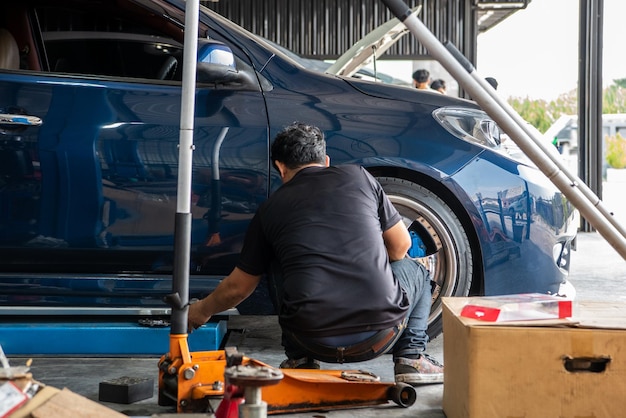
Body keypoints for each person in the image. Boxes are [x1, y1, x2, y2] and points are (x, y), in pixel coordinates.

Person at [188, 122, 443, 385]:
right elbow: (401, 246)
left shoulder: (270, 209)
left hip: (309, 340)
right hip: (380, 336)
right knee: (418, 272)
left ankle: (299, 359)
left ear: (280, 167)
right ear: (326, 160)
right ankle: (411, 358)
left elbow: (238, 289)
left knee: (276, 260)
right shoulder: (359, 177)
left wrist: (199, 311)